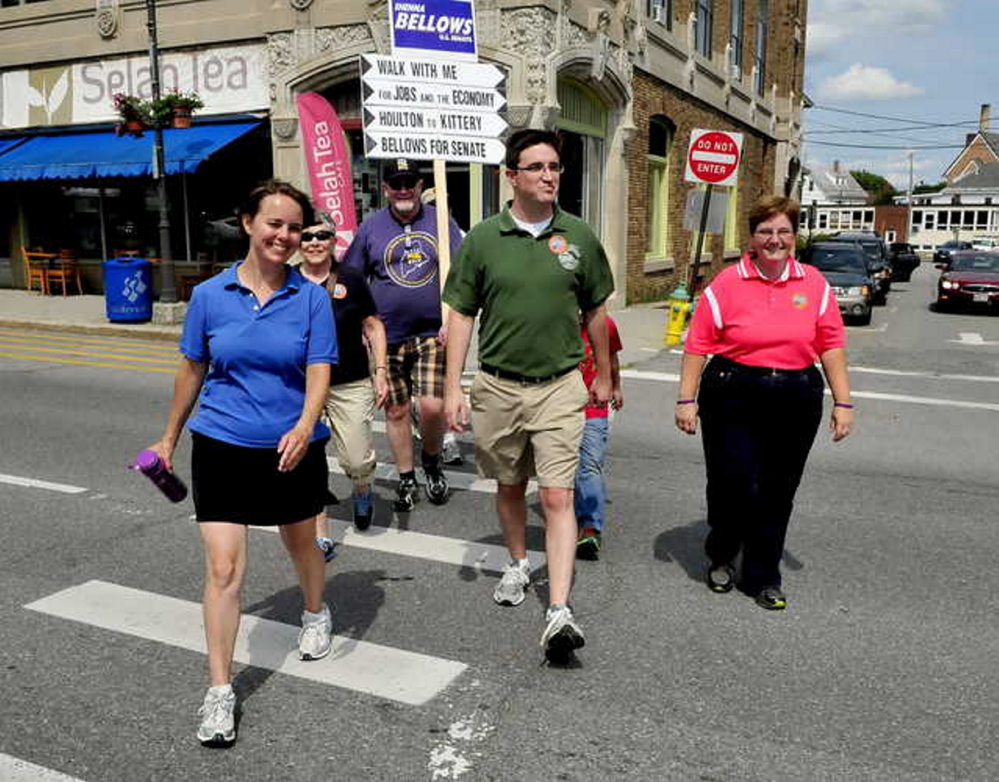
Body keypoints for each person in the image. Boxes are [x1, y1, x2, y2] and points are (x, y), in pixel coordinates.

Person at [146, 180, 338, 747]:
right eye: (274, 223)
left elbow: (320, 367)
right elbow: (192, 369)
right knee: (225, 571)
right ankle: (220, 692)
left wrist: (306, 425)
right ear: (248, 223)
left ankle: (313, 610)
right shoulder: (209, 295)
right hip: (221, 445)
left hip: (290, 449)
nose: (285, 236)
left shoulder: (311, 297)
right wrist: (168, 437)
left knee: (301, 543)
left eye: (294, 227)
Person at [443, 129, 615, 658]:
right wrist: (454, 386)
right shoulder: (483, 239)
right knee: (511, 485)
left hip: (562, 386)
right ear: (510, 176)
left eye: (555, 167)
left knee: (558, 495)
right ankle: (518, 563)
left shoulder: (579, 237)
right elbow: (462, 315)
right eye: (537, 167)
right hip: (498, 386)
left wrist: (604, 375)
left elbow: (597, 313)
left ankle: (559, 609)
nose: (549, 176)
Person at [675, 195, 854, 611]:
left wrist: (843, 403)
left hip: (796, 393)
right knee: (730, 482)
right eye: (765, 232)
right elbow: (698, 343)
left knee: (777, 490)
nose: (775, 239)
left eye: (784, 231)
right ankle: (721, 554)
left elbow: (831, 344)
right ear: (752, 238)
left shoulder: (813, 282)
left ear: (794, 236)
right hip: (732, 387)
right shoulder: (727, 281)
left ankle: (763, 575)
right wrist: (687, 398)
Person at [344, 159, 463, 512]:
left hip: (432, 332)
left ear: (419, 183)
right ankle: (407, 477)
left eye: (408, 181)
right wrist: (361, 323)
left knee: (431, 407)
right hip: (388, 336)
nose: (402, 189)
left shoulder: (440, 221)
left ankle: (432, 461)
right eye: (395, 183)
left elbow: (461, 273)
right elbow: (352, 278)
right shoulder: (372, 228)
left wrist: (454, 316)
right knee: (396, 411)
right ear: (385, 189)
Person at [298, 218, 390, 536]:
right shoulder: (286, 282)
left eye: (322, 235)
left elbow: (373, 326)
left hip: (349, 380)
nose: (314, 241)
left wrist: (380, 372)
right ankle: (316, 519)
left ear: (334, 240)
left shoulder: (351, 279)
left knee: (356, 459)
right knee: (305, 453)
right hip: (301, 383)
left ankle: (362, 490)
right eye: (307, 235)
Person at [574, 313, 624, 561]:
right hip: (559, 406)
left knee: (590, 465)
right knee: (567, 468)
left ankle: (591, 528)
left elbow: (612, 357)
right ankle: (569, 517)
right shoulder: (553, 320)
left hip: (594, 406)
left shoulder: (605, 324)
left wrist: (615, 386)